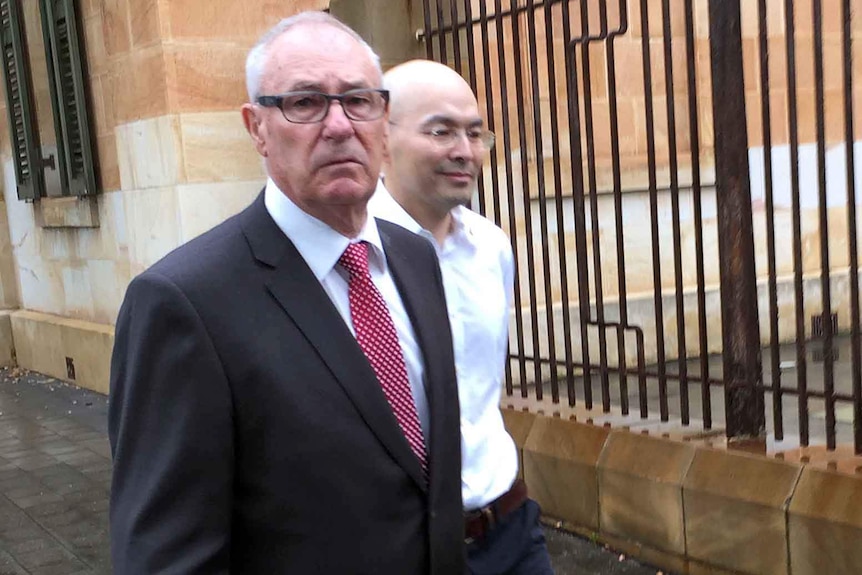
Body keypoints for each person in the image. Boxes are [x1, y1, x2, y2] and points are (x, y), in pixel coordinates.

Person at [108, 14, 464, 575]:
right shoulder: (185, 303)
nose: (340, 125)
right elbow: (166, 555)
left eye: (359, 100)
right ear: (256, 128)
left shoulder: (415, 258)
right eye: (305, 103)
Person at [370, 59, 554, 574]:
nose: (464, 151)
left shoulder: (491, 247)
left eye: (475, 133)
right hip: (411, 547)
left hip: (511, 528)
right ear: (383, 140)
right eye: (441, 131)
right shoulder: (354, 261)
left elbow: (481, 390)